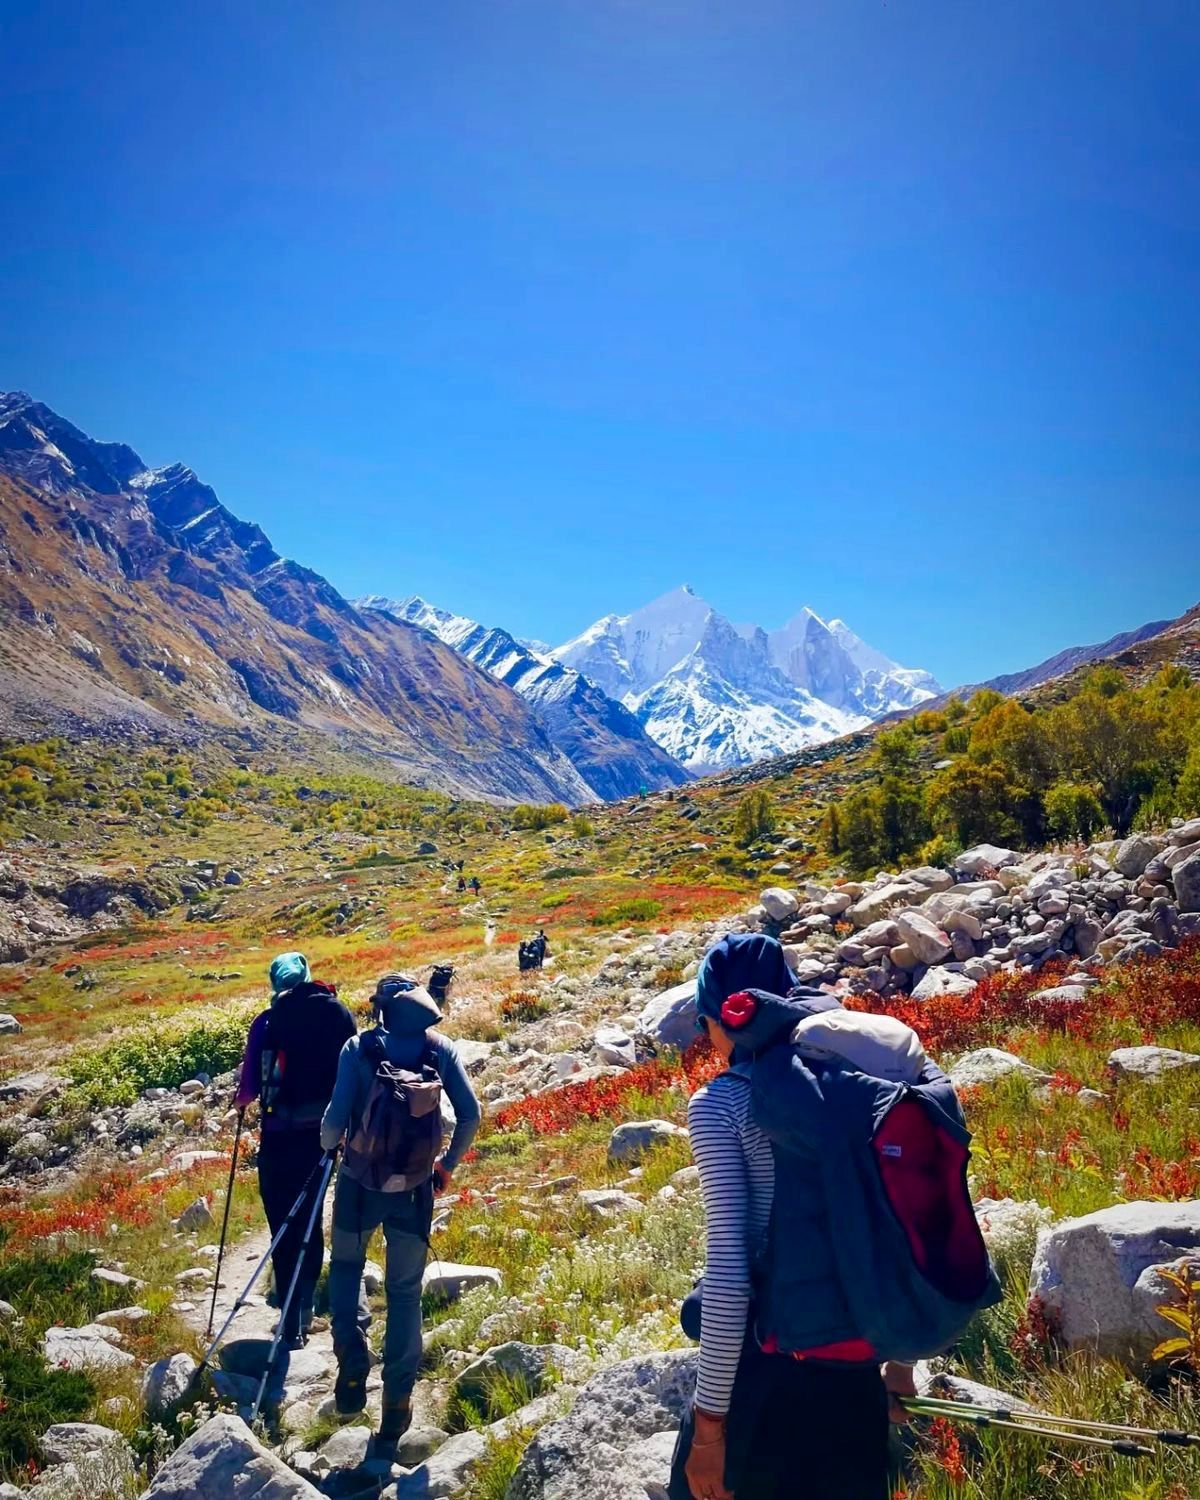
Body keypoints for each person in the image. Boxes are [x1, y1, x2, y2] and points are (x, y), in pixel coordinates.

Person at [671, 933, 914, 1500]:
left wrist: (709, 1430)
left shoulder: (721, 1104)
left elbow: (730, 1275)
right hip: (857, 1371)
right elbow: (901, 1226)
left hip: (770, 1372)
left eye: (706, 1024)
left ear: (723, 1020)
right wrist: (900, 1365)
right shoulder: (859, 1084)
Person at [321, 973, 482, 1449]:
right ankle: (397, 1403)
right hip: (414, 1188)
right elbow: (470, 1115)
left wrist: (330, 1149)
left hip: (359, 1183)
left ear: (382, 1008)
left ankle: (352, 1354)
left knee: (346, 1267)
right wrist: (446, 1164)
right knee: (405, 1293)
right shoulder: (440, 1049)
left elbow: (333, 1122)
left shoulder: (358, 1049)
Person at [234, 951, 356, 1346]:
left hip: (278, 1135)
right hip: (321, 1136)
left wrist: (239, 1102)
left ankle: (288, 1321)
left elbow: (249, 1090)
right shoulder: (338, 1014)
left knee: (281, 1225)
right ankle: (304, 1311)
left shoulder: (267, 1022)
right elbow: (352, 1071)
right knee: (309, 1220)